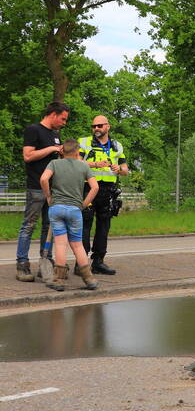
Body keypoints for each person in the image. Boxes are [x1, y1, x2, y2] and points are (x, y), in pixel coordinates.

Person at [15, 102, 69, 282]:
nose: (64, 123)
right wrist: (52, 149)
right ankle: (22, 265)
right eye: (63, 118)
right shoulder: (33, 130)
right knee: (29, 225)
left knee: (50, 226)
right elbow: (28, 156)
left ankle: (46, 262)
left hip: (53, 189)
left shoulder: (55, 134)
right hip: (36, 188)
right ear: (53, 114)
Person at [39, 139, 99, 291]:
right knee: (77, 245)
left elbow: (44, 179)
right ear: (78, 152)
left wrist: (48, 196)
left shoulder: (54, 163)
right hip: (75, 210)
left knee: (60, 244)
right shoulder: (83, 166)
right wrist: (83, 204)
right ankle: (89, 279)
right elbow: (95, 187)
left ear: (62, 151)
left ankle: (58, 280)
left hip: (56, 208)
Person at [79, 115, 129, 275]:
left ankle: (98, 261)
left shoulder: (117, 146)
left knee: (104, 225)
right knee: (85, 224)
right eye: (93, 126)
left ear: (108, 127)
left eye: (99, 126)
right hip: (88, 188)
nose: (96, 129)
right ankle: (81, 263)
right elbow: (75, 161)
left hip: (108, 190)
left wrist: (119, 170)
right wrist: (94, 164)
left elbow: (126, 170)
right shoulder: (85, 142)